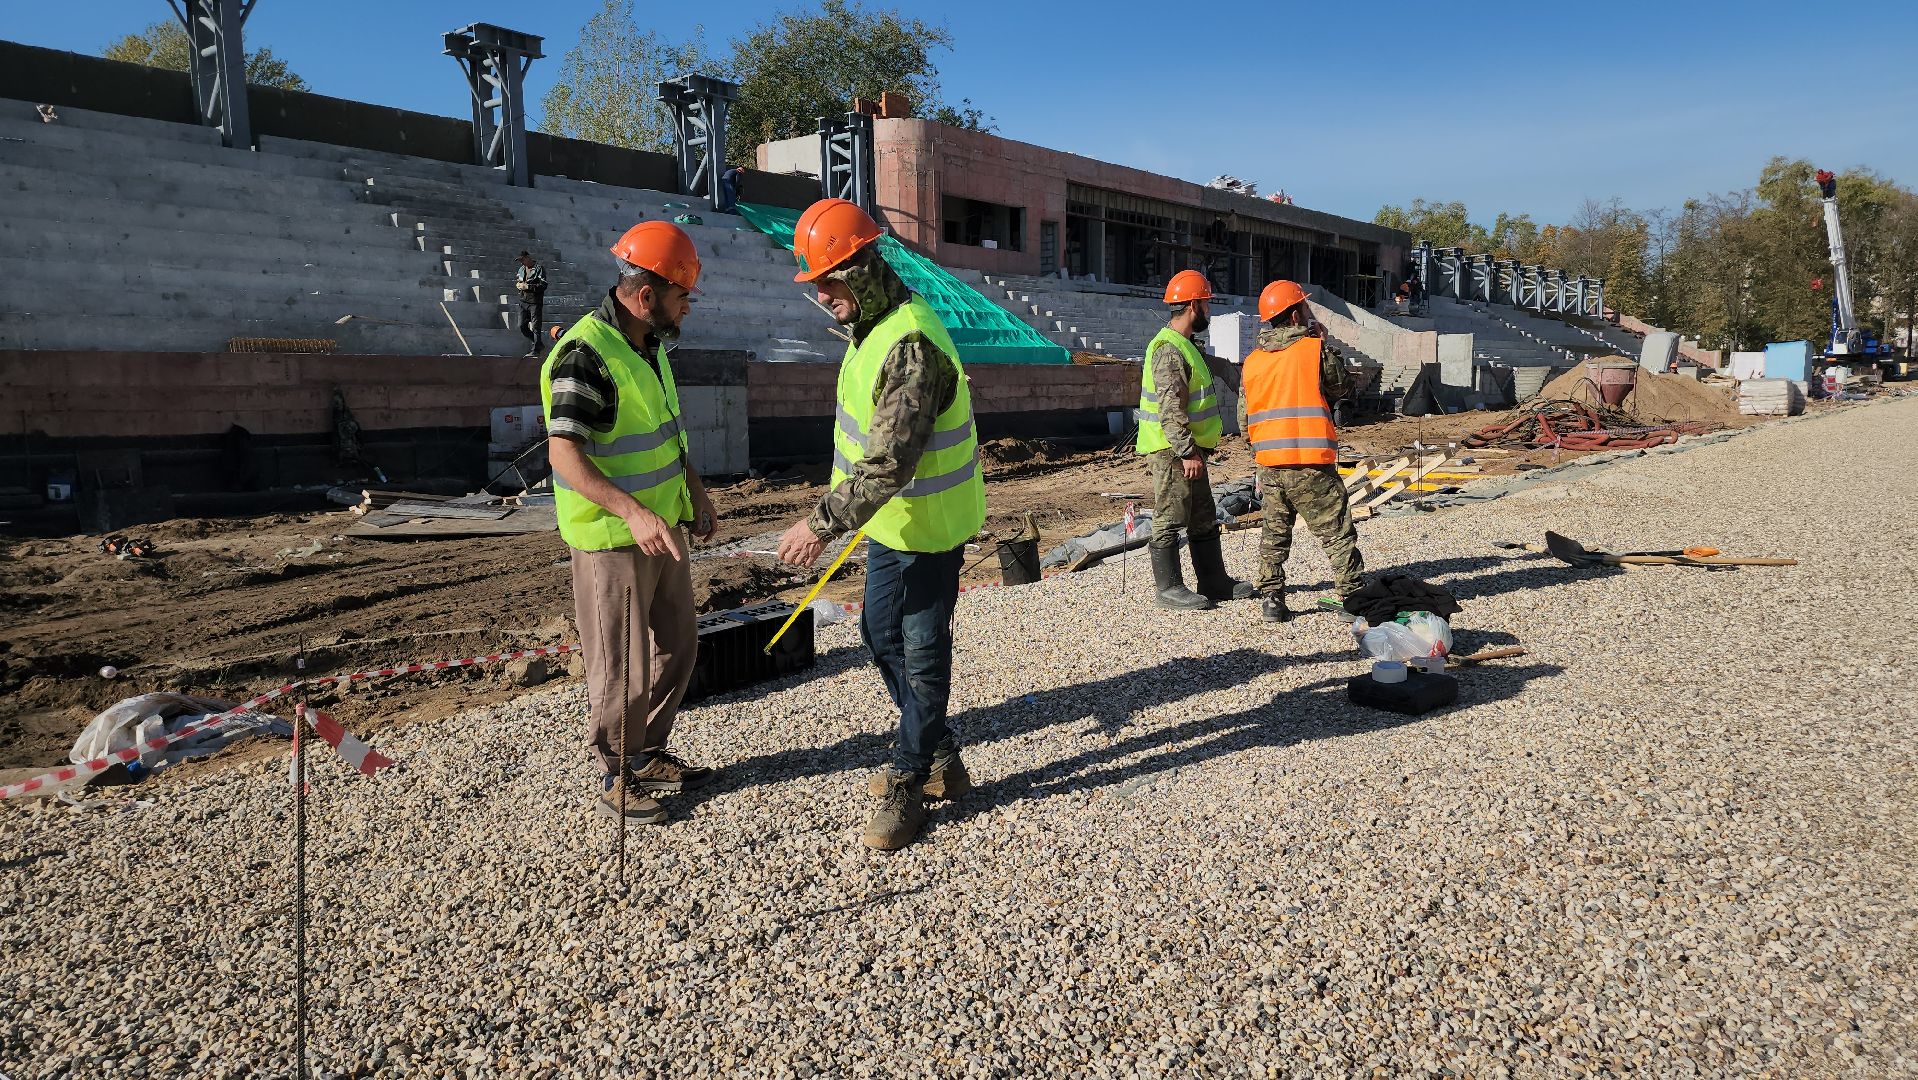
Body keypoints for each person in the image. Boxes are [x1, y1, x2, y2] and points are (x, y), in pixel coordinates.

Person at [774, 198, 986, 852]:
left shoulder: (912, 345)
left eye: (828, 281)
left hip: (930, 525)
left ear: (862, 267)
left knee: (922, 651)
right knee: (876, 630)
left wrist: (821, 525)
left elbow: (891, 462)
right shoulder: (873, 329)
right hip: (892, 525)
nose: (822, 296)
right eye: (817, 285)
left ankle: (911, 775)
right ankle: (941, 754)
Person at [541, 222, 720, 823]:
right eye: (681, 296)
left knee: (678, 646)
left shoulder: (648, 346)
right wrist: (634, 511)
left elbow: (666, 435)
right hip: (613, 539)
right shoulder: (585, 355)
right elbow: (563, 453)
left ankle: (647, 752)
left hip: (662, 527)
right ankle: (617, 771)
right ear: (645, 295)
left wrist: (693, 491)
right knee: (622, 667)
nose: (687, 307)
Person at [1238, 280, 1365, 623]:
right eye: (1306, 308)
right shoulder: (1313, 350)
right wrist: (1323, 342)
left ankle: (1272, 600)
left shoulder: (1251, 363)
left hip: (1269, 464)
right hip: (1309, 461)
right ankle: (1352, 596)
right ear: (1296, 315)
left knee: (1274, 533)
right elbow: (1342, 386)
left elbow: (1242, 418)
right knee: (1336, 531)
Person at [1135, 269, 1254, 611]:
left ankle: (1213, 580)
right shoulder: (1168, 350)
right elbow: (1170, 408)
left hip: (1190, 449)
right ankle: (1168, 588)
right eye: (1206, 303)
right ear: (1193, 305)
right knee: (1170, 517)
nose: (1210, 311)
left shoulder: (1186, 346)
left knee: (1202, 515)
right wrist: (1186, 451)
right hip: (1173, 450)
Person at [516, 251, 548, 356]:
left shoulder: (539, 269)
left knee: (535, 327)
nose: (522, 263)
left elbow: (543, 285)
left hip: (535, 302)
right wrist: (519, 285)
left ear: (528, 257)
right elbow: (519, 280)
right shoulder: (521, 269)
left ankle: (536, 350)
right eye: (520, 261)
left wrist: (528, 287)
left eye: (523, 260)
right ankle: (538, 344)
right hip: (523, 301)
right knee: (522, 326)